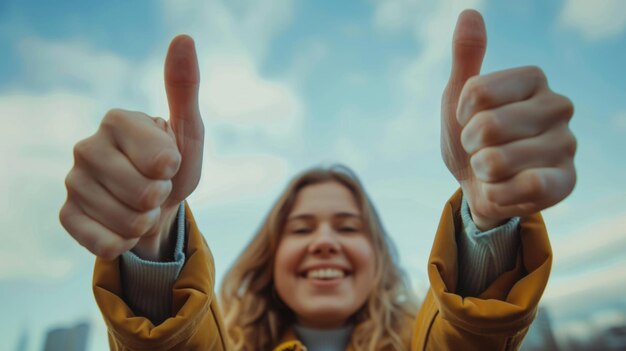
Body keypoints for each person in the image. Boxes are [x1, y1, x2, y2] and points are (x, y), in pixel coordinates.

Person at [59, 10, 576, 351]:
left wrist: (490, 218)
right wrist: (152, 241)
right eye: (302, 228)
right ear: (269, 254)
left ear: (377, 256)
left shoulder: (422, 339)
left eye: (348, 227)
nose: (325, 241)